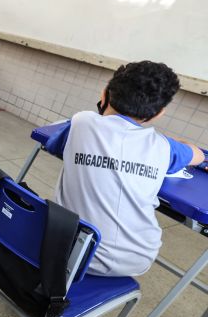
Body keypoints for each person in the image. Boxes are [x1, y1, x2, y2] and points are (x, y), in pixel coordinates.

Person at [53, 61, 204, 277]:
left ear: (104, 94)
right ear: (159, 113)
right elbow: (198, 155)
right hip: (134, 259)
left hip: (61, 245)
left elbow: (55, 146)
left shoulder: (81, 122)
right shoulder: (163, 147)